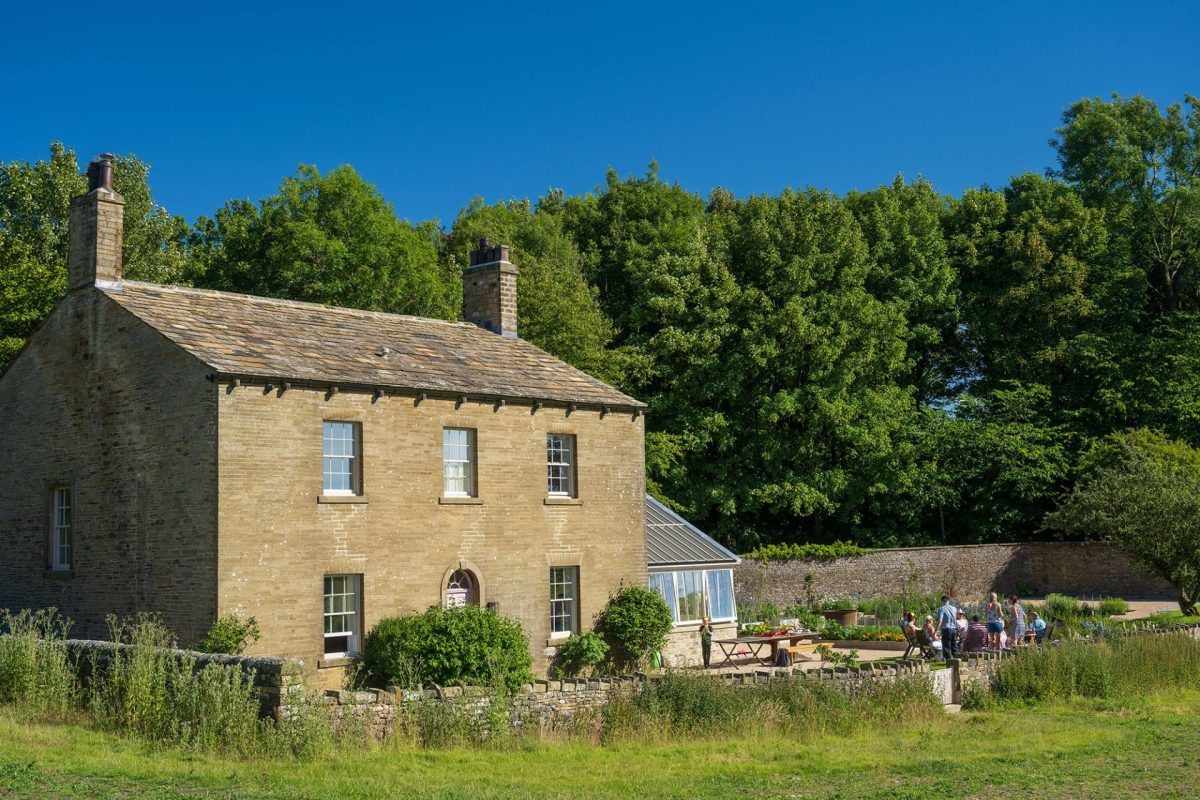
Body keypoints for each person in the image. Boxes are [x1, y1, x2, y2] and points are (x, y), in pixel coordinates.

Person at [936, 594, 958, 660]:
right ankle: (956, 661)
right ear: (948, 601)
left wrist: (936, 631)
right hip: (954, 629)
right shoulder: (954, 609)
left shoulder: (941, 609)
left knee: (946, 647)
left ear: (942, 601)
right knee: (954, 646)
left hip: (946, 629)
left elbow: (940, 620)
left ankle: (949, 662)